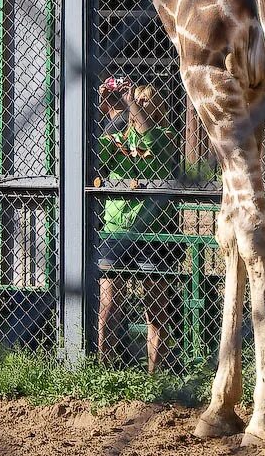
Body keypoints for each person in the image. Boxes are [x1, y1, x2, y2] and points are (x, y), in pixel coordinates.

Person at [95, 82, 178, 372]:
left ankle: (154, 375)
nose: (139, 104)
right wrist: (106, 107)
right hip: (116, 229)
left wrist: (130, 104)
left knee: (155, 311)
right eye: (136, 99)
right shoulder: (115, 136)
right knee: (108, 305)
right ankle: (105, 369)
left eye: (146, 100)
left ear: (160, 108)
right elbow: (94, 151)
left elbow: (151, 140)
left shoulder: (166, 137)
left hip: (154, 233)